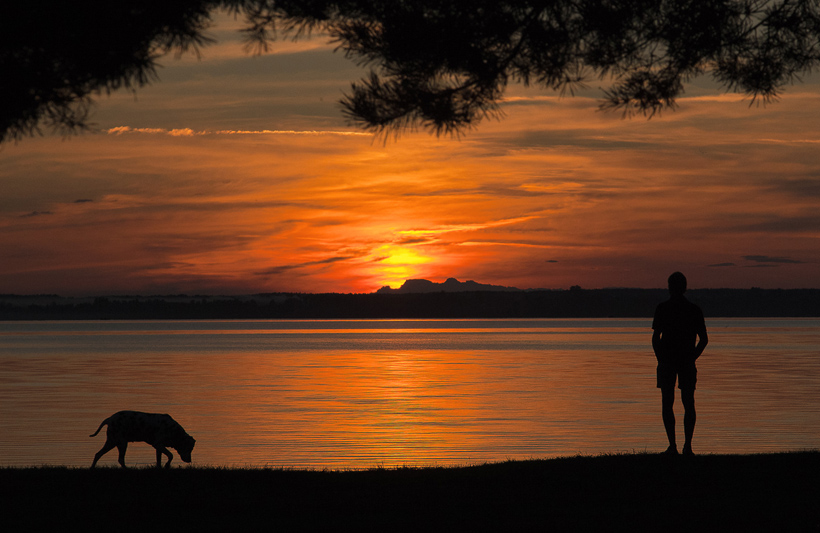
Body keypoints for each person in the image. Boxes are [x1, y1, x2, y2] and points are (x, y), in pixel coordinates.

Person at [652, 272, 708, 456]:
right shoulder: (692, 310)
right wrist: (692, 357)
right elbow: (704, 340)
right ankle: (683, 447)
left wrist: (661, 358)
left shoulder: (665, 308)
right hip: (680, 361)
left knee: (671, 403)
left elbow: (655, 338)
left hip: (674, 361)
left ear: (670, 287)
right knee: (686, 402)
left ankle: (678, 446)